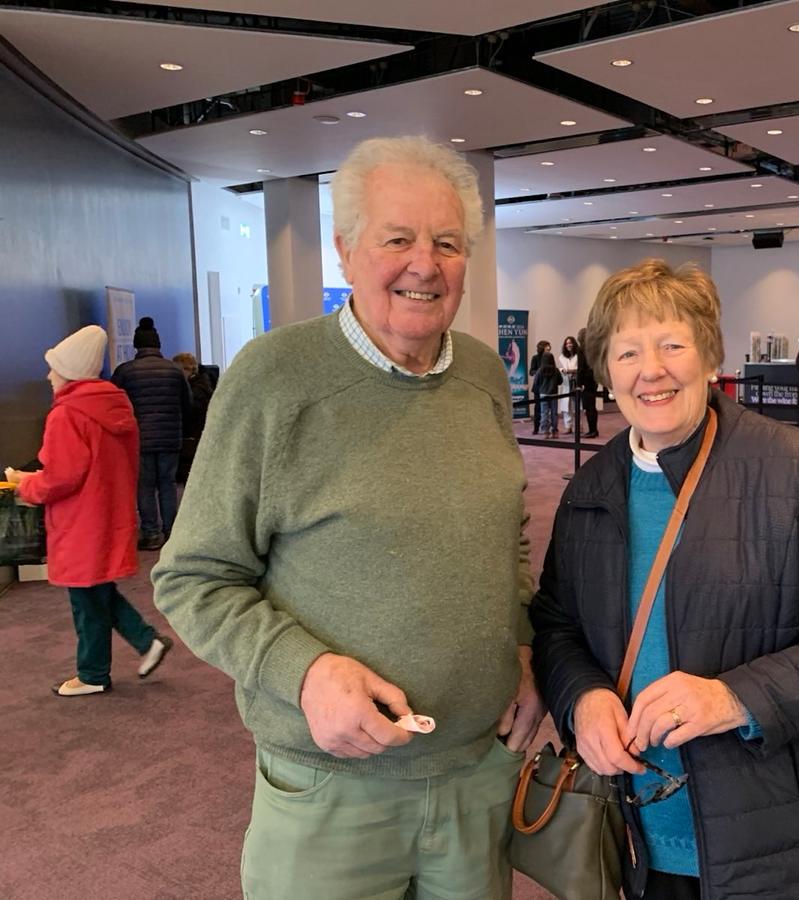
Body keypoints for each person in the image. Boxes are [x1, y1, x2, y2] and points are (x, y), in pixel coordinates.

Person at [151, 136, 543, 900]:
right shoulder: (274, 378)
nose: (424, 263)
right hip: (331, 793)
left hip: (477, 776)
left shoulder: (485, 374)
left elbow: (509, 536)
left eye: (448, 243)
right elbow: (193, 579)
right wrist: (305, 675)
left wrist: (522, 646)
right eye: (397, 239)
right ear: (345, 251)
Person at [531, 259, 799, 900]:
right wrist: (581, 698)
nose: (650, 369)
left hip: (790, 846)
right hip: (639, 840)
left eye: (672, 345)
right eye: (627, 351)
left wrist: (735, 699)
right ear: (605, 371)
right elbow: (557, 625)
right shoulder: (590, 491)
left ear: (710, 355)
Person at [5, 326, 171, 696]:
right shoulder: (114, 407)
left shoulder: (66, 415)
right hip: (106, 516)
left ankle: (94, 673)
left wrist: (25, 485)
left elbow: (60, 478)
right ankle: (145, 642)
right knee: (96, 594)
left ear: (69, 371)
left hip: (78, 521)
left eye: (53, 368)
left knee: (87, 600)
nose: (48, 375)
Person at [111, 316, 191, 550]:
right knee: (167, 484)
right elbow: (187, 404)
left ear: (136, 345)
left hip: (139, 438)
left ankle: (151, 534)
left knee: (144, 485)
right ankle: (172, 532)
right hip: (169, 437)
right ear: (158, 344)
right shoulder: (174, 371)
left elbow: (114, 404)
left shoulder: (125, 372)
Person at [170, 352, 213, 483]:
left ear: (187, 369)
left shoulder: (197, 389)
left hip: (192, 439)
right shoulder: (203, 384)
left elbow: (192, 411)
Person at [576, 327, 601, 438]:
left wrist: (578, 383)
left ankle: (592, 430)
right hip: (594, 379)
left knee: (588, 407)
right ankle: (594, 429)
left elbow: (580, 368)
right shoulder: (594, 349)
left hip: (586, 381)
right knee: (592, 407)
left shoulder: (581, 350)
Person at [533, 352, 563, 439]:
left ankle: (545, 432)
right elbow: (560, 381)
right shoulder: (556, 370)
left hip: (543, 394)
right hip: (554, 394)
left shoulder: (540, 370)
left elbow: (536, 382)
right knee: (554, 413)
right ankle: (555, 431)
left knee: (544, 413)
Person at [529, 340, 552, 434]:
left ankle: (548, 428)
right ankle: (536, 428)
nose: (549, 348)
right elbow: (531, 372)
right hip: (538, 387)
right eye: (547, 346)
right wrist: (539, 372)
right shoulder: (535, 358)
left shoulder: (550, 357)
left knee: (549, 408)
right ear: (542, 347)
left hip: (548, 386)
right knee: (538, 408)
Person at [558, 335, 580, 433]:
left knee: (577, 406)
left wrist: (572, 370)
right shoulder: (562, 357)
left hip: (576, 382)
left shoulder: (579, 355)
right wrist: (562, 370)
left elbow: (581, 368)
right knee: (566, 406)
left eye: (570, 343)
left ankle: (578, 426)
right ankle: (568, 426)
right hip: (566, 383)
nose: (569, 345)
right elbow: (559, 369)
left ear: (574, 344)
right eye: (567, 343)